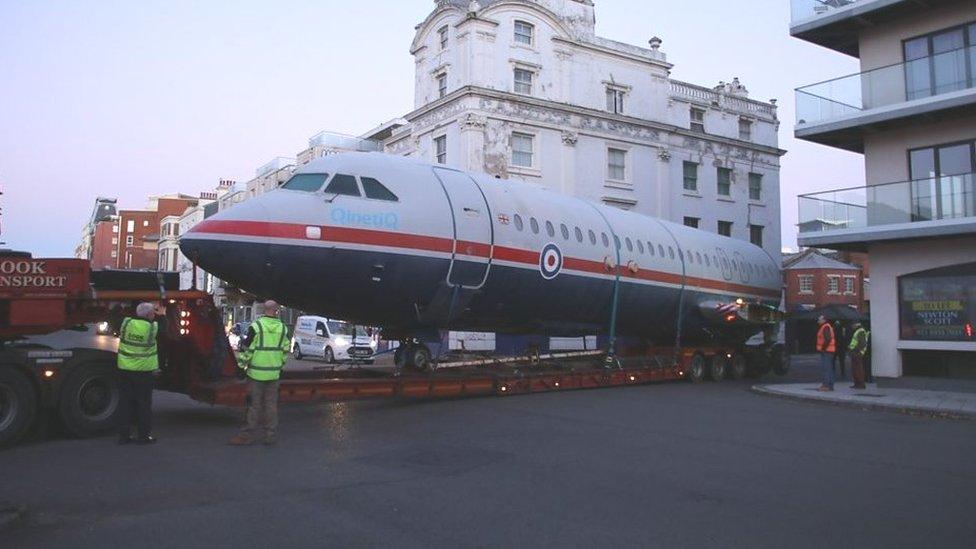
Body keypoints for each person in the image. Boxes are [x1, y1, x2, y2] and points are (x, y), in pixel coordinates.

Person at [229, 300, 290, 446]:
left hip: (256, 374)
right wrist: (279, 366)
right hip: (274, 374)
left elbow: (247, 349)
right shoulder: (283, 328)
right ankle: (270, 435)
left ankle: (246, 435)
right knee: (271, 405)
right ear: (277, 311)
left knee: (254, 405)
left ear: (263, 309)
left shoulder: (256, 327)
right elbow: (285, 350)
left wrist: (241, 366)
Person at [117, 302, 161, 445]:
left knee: (125, 403)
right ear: (149, 315)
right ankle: (143, 436)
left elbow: (114, 316)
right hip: (143, 372)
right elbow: (166, 328)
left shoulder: (126, 323)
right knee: (143, 405)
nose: (154, 315)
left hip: (124, 369)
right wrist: (163, 315)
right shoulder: (152, 328)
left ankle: (124, 436)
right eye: (153, 313)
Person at [816, 315, 836, 392]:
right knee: (829, 369)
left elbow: (827, 339)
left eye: (819, 320)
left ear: (824, 320)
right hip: (829, 351)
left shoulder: (825, 327)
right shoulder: (826, 326)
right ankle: (830, 385)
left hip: (826, 351)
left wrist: (823, 348)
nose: (818, 321)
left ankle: (826, 385)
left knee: (826, 369)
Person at [848, 322, 870, 389]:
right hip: (855, 353)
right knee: (855, 369)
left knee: (858, 369)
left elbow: (863, 343)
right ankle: (857, 384)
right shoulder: (858, 331)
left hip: (857, 353)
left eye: (853, 325)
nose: (852, 326)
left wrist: (855, 350)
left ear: (856, 324)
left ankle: (860, 384)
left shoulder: (860, 331)